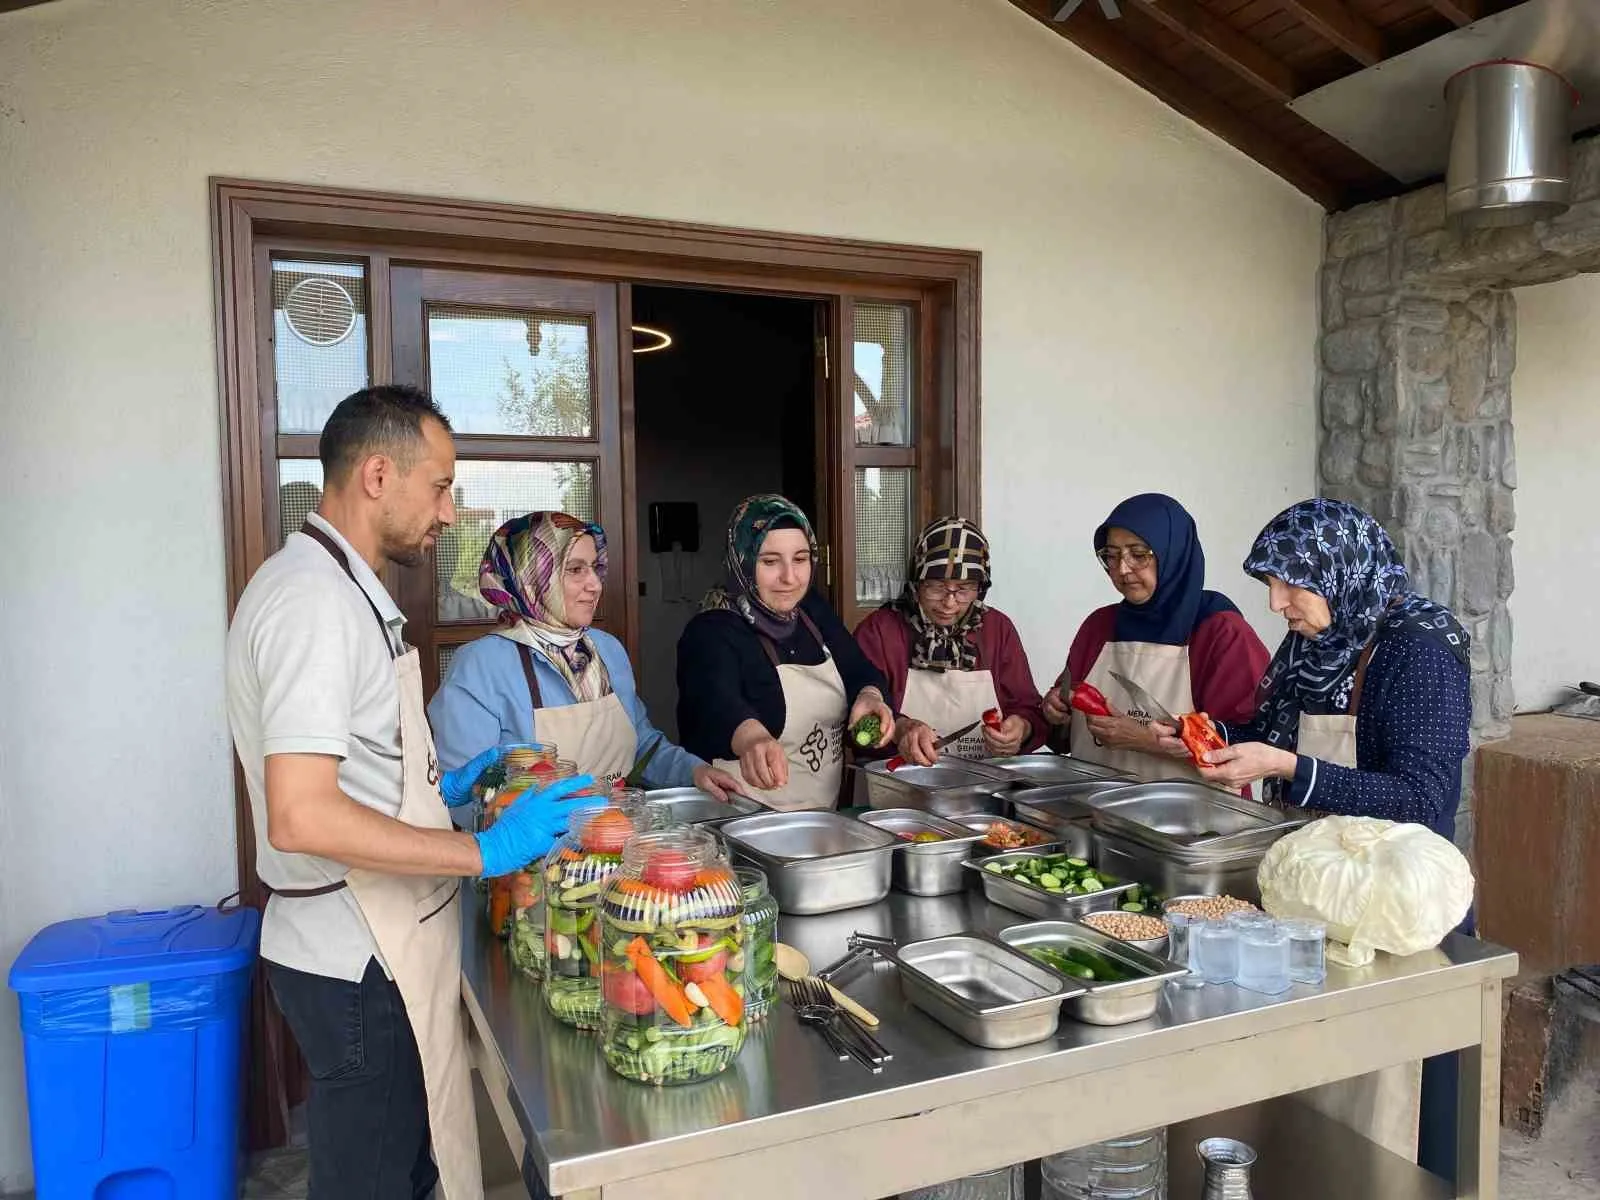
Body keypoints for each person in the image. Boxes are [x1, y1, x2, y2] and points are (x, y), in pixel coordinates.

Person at [226, 385, 593, 1200]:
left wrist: (436, 784)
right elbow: (300, 813)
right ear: (378, 475)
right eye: (441, 486)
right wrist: (483, 849)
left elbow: (350, 765)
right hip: (356, 955)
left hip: (372, 942)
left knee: (405, 1167)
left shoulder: (340, 588)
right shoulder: (313, 603)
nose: (451, 512)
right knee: (375, 1183)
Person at [1194, 497, 1472, 1185]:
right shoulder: (1320, 644)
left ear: (1343, 570)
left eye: (1292, 584)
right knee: (1321, 1115)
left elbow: (1419, 797)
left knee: (1392, 1125)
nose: (1277, 604)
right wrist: (1210, 737)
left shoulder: (1417, 652)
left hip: (1398, 923)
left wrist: (1290, 770)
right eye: (1269, 584)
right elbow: (1280, 736)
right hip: (1319, 900)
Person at [429, 512, 743, 797]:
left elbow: (643, 747)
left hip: (618, 838)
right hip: (537, 856)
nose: (595, 584)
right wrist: (572, 806)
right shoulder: (480, 666)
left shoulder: (606, 650)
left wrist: (694, 771)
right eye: (575, 569)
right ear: (531, 578)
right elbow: (463, 793)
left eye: (595, 568)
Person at [676, 494, 894, 810]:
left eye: (801, 559)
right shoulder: (711, 629)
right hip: (737, 825)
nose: (789, 578)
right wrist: (750, 737)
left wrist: (870, 696)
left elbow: (859, 669)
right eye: (770, 561)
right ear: (743, 561)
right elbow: (713, 700)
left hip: (818, 822)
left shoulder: (810, 611)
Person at [1041, 493, 1269, 781]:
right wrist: (1054, 713)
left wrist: (1145, 741)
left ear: (1172, 553)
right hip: (1095, 814)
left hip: (1198, 820)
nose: (1122, 569)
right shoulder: (1098, 626)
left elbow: (1250, 747)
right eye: (1111, 556)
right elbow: (1061, 735)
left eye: (1138, 555)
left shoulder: (1220, 632)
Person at [854, 516, 1045, 763]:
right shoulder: (879, 632)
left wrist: (1021, 728)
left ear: (981, 588)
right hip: (894, 785)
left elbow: (1029, 708)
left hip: (981, 788)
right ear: (916, 582)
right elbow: (856, 726)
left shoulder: (998, 630)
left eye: (964, 589)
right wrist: (899, 730)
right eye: (936, 587)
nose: (949, 602)